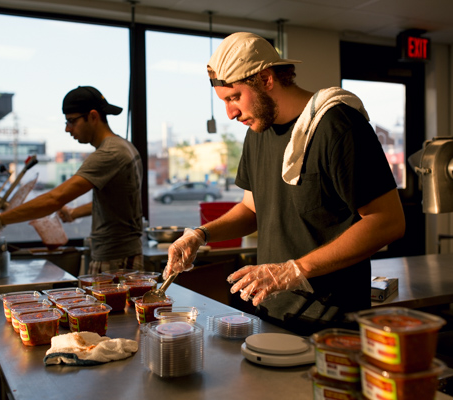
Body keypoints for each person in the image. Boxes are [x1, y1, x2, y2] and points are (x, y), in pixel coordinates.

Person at [163, 32, 406, 335]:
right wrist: (200, 235)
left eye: (234, 97)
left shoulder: (337, 126)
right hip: (271, 315)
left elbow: (388, 222)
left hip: (332, 324)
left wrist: (296, 269)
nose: (230, 113)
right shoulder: (257, 133)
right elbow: (251, 209)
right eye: (225, 101)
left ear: (266, 79)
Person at [0, 86, 144, 273]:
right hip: (120, 256)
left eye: (71, 121)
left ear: (93, 116)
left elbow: (55, 198)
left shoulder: (110, 153)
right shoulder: (125, 147)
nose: (67, 129)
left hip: (116, 261)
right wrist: (74, 213)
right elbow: (117, 203)